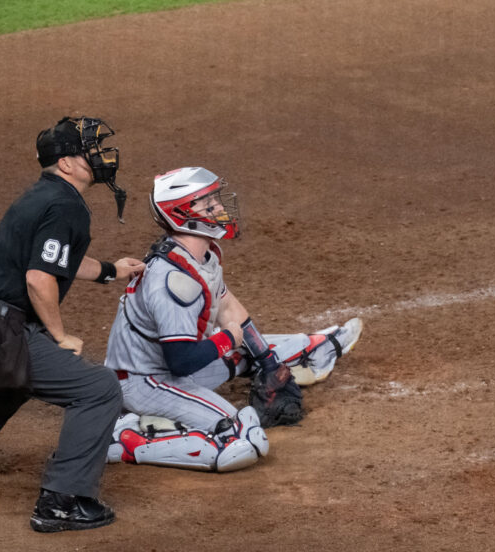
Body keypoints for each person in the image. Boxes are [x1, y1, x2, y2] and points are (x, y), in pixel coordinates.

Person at [104, 166, 363, 472]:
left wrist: (268, 361)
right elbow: (181, 361)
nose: (220, 208)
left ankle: (310, 348)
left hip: (164, 370)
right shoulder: (173, 281)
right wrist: (228, 338)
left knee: (249, 348)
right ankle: (127, 440)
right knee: (244, 440)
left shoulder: (201, 257)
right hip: (144, 383)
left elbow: (228, 308)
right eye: (208, 204)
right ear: (182, 214)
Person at [0, 116, 145, 531]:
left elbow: (52, 260)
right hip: (0, 327)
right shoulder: (65, 204)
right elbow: (39, 278)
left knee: (11, 386)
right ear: (66, 164)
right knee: (99, 389)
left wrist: (109, 270)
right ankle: (62, 501)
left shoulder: (43, 196)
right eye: (90, 150)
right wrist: (60, 335)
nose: (102, 156)